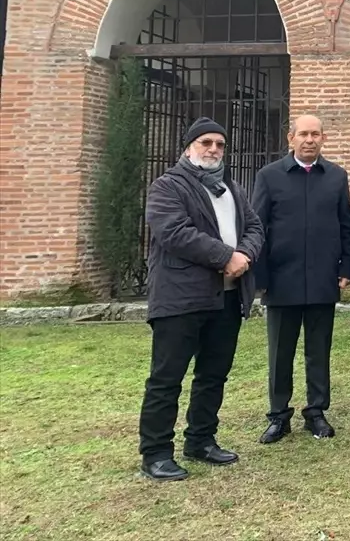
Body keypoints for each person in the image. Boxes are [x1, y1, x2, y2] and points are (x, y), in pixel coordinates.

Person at [138, 117, 264, 481]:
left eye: (220, 144)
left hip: (226, 299)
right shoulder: (168, 186)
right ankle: (156, 453)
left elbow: (254, 227)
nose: (213, 149)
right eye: (206, 142)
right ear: (189, 147)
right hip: (181, 299)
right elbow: (175, 232)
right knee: (167, 378)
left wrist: (244, 254)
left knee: (213, 375)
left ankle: (201, 440)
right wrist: (226, 257)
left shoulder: (231, 188)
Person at [251, 114, 350, 443]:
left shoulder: (336, 176)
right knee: (280, 352)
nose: (309, 140)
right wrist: (260, 276)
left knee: (318, 350)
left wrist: (346, 268)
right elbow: (256, 228)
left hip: (323, 278)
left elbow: (346, 226)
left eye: (316, 134)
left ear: (324, 139)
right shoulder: (269, 176)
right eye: (304, 134)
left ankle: (316, 412)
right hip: (281, 279)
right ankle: (278, 415)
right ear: (290, 138)